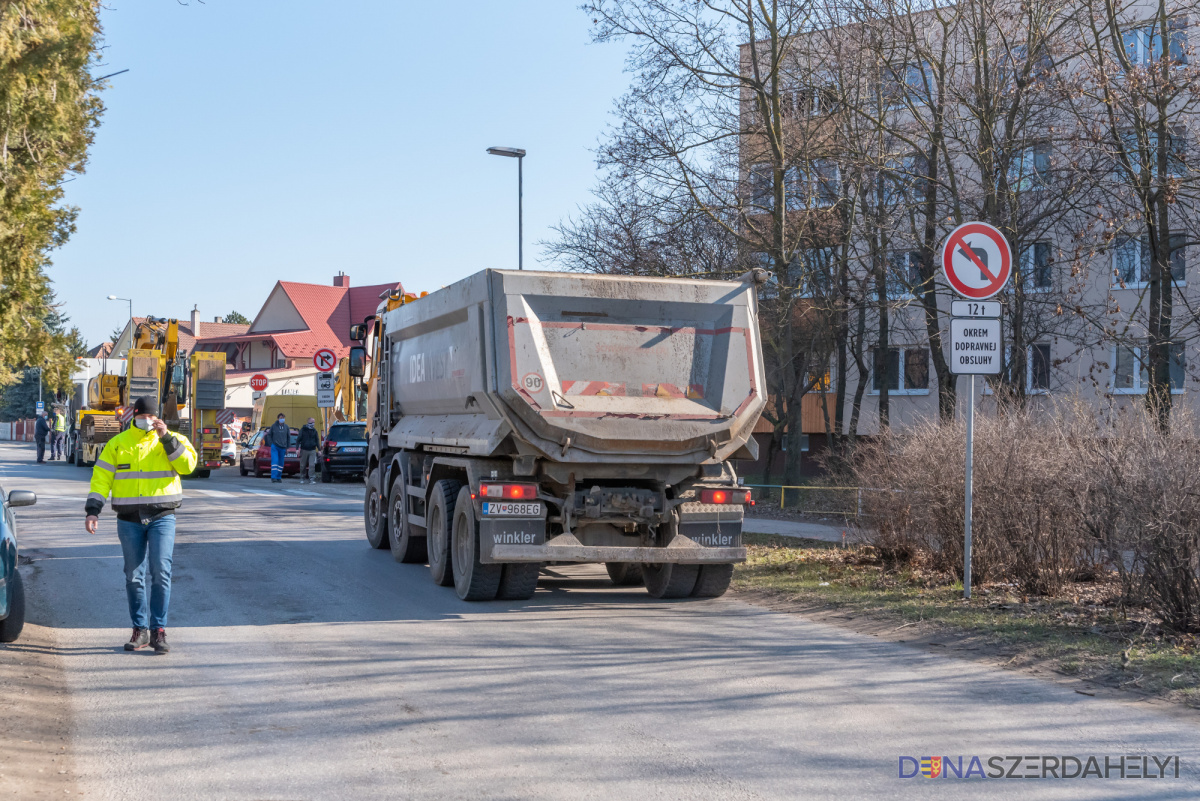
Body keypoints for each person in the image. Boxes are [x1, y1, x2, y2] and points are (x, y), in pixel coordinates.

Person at [84, 395, 197, 654]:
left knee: (161, 572)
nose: (148, 420)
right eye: (143, 416)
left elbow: (188, 466)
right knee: (134, 576)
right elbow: (101, 479)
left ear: (159, 417)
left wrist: (166, 438)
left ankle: (158, 630)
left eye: (152, 416)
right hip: (129, 520)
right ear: (134, 416)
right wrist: (93, 511)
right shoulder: (118, 443)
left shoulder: (173, 439)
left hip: (162, 517)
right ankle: (140, 630)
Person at [266, 413, 290, 483]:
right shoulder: (274, 426)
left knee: (281, 463)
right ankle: (273, 477)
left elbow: (288, 437)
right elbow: (269, 435)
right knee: (275, 461)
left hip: (283, 447)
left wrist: (287, 447)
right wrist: (271, 444)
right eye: (281, 418)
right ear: (278, 419)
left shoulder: (286, 427)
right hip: (275, 447)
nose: (282, 419)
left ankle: (279, 477)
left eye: (283, 418)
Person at [297, 417, 319, 484]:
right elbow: (298, 440)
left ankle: (311, 479)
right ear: (308, 422)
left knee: (312, 465)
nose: (313, 424)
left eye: (314, 422)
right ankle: (302, 477)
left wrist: (319, 450)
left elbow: (317, 440)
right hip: (304, 449)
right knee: (302, 465)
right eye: (312, 422)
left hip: (312, 450)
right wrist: (297, 449)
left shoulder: (314, 431)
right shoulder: (303, 430)